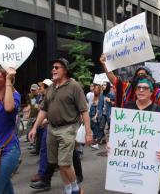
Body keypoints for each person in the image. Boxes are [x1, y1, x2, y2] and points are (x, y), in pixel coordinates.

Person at [28, 58, 92, 194]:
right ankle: (69, 189)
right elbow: (43, 110)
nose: (53, 70)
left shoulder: (74, 86)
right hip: (51, 129)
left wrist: (88, 132)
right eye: (53, 67)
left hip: (68, 128)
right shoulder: (51, 88)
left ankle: (76, 189)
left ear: (65, 70)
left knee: (64, 163)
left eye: (57, 67)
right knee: (57, 162)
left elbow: (84, 110)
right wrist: (35, 127)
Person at [107, 75, 160, 192]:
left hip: (150, 162)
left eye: (145, 88)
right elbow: (118, 132)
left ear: (151, 92)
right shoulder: (127, 108)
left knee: (153, 189)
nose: (141, 90)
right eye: (138, 87)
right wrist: (111, 144)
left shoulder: (158, 111)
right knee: (132, 187)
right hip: (129, 162)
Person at [30, 79, 53, 183]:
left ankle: (76, 174)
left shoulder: (53, 97)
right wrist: (35, 127)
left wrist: (47, 120)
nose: (40, 89)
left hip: (56, 128)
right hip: (45, 127)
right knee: (44, 149)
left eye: (42, 87)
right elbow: (42, 111)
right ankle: (43, 174)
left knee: (69, 155)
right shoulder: (42, 97)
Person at [91, 82, 115, 150]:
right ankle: (97, 144)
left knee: (111, 129)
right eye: (103, 84)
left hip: (109, 114)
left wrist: (110, 100)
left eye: (104, 84)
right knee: (101, 128)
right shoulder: (102, 95)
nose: (103, 86)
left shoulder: (111, 94)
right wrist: (96, 115)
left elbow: (115, 104)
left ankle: (112, 144)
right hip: (103, 114)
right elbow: (99, 106)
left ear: (107, 86)